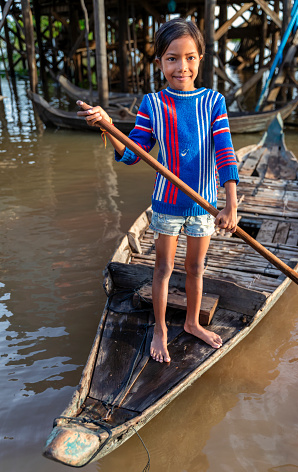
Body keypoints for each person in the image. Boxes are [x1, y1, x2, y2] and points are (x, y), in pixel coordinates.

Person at [77, 18, 239, 364]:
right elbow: (134, 153)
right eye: (172, 58)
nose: (182, 66)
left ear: (200, 58)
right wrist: (107, 125)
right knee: (163, 269)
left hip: (204, 205)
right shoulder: (153, 103)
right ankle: (161, 330)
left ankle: (193, 323)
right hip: (167, 203)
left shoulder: (213, 102)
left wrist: (231, 205)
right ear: (159, 63)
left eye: (190, 57)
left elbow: (225, 153)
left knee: (196, 268)